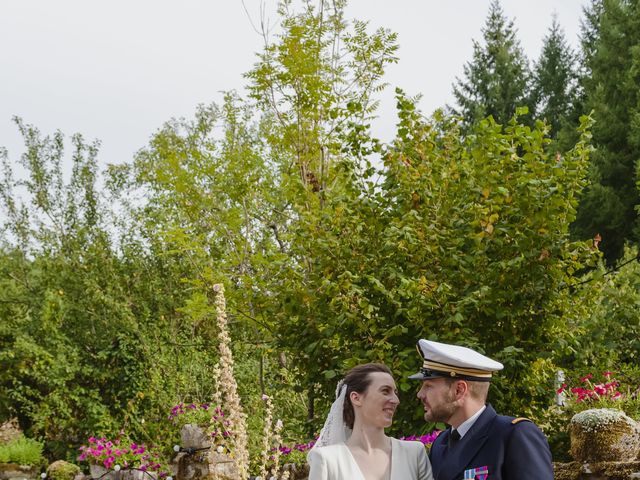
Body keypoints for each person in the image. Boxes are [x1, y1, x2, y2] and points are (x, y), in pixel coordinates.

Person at [409, 339, 554, 480]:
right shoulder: (440, 445)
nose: (420, 394)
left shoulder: (514, 435)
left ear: (459, 390)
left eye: (428, 386)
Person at [308, 363, 433, 480]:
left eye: (395, 393)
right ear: (356, 398)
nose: (395, 400)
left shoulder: (414, 454)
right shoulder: (327, 460)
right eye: (385, 391)